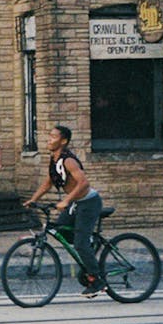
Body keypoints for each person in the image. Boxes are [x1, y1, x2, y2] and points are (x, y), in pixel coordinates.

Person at [24, 124, 105, 297]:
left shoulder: (68, 160)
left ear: (64, 141)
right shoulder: (54, 159)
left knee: (80, 244)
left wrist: (66, 200)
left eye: (53, 137)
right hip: (75, 203)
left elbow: (84, 183)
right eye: (49, 136)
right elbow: (48, 182)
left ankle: (97, 281)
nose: (49, 139)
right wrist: (34, 199)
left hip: (89, 203)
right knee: (59, 230)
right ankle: (88, 245)